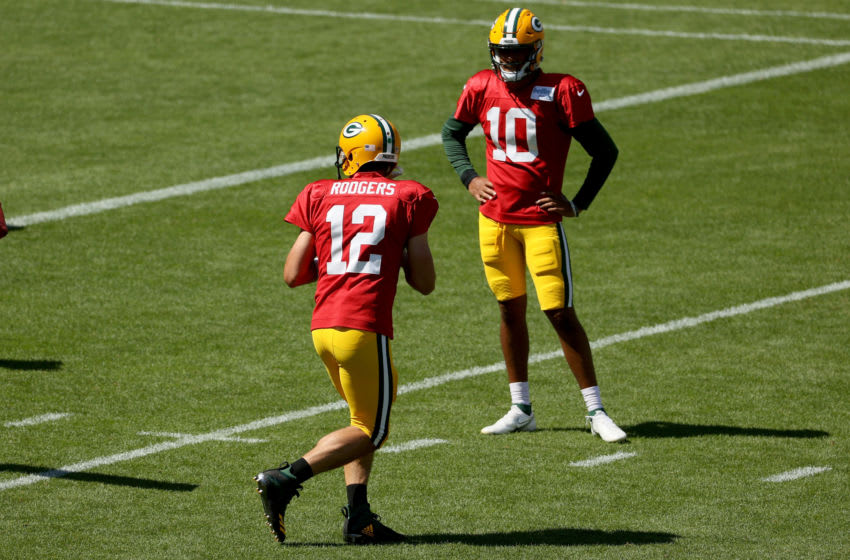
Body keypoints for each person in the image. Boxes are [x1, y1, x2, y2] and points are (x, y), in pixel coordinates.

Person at [441, 7, 626, 442]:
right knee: (509, 309)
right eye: (502, 51)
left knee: (559, 313)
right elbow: (452, 134)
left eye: (516, 51)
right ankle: (521, 407)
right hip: (494, 222)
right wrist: (469, 177)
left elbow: (605, 151)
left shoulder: (563, 89)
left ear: (536, 50)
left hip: (540, 222)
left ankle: (595, 411)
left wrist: (577, 204)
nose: (507, 59)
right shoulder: (480, 85)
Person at [254, 114, 439, 545]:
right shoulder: (409, 195)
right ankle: (284, 478)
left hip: (323, 328)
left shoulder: (320, 192)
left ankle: (359, 518)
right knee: (372, 431)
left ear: (351, 156)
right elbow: (425, 284)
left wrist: (341, 258)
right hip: (363, 327)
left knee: (360, 422)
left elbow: (293, 273)